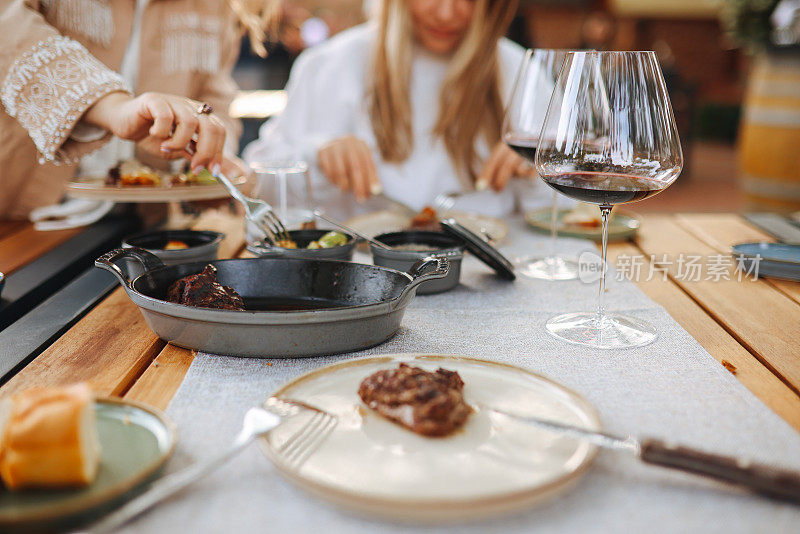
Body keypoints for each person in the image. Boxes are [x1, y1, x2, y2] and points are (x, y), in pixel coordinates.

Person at [243, 0, 539, 218]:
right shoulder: (330, 63)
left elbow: (566, 210)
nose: (448, 12)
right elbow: (259, 187)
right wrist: (317, 153)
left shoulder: (519, 69)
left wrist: (536, 167)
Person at [0, 0, 276, 220]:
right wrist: (112, 106)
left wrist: (209, 159)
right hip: (22, 213)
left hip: (144, 221)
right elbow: (9, 26)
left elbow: (213, 91)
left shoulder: (219, 6)